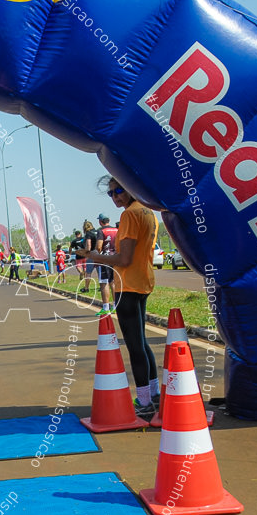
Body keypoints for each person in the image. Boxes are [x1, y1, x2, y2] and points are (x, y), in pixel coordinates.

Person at [77, 177, 160, 417]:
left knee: (135, 345)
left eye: (120, 190)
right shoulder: (147, 211)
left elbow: (124, 259)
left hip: (128, 285)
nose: (116, 197)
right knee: (142, 342)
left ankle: (144, 402)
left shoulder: (130, 215)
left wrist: (94, 255)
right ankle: (153, 393)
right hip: (142, 281)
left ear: (132, 186)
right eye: (111, 193)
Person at [95, 213, 118, 316]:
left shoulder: (101, 231)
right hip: (115, 258)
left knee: (104, 283)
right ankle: (115, 306)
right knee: (113, 282)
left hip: (104, 259)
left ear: (100, 221)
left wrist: (97, 256)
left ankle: (105, 307)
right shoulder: (116, 230)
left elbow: (99, 246)